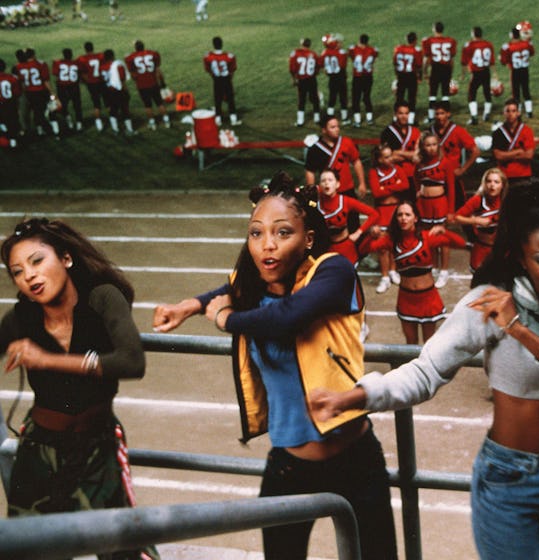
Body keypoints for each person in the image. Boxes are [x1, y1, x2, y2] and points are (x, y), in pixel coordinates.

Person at [311, 190, 539, 560]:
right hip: (509, 479)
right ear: (521, 260)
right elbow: (427, 369)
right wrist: (358, 396)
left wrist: (521, 330)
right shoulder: (489, 301)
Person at [151, 177, 397, 560]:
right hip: (290, 467)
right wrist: (189, 306)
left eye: (283, 233)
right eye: (256, 234)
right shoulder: (252, 287)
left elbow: (289, 317)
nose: (267, 244)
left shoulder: (334, 273)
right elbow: (227, 289)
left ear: (309, 239)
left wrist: (225, 320)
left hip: (356, 460)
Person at [0, 218, 158, 560]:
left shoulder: (102, 298)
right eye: (17, 271)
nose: (29, 275)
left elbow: (132, 361)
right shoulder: (20, 318)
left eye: (37, 261)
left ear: (66, 259)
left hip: (98, 448)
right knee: (30, 552)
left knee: (124, 550)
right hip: (40, 452)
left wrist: (47, 360)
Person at [362, 201, 466, 344]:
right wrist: (370, 235)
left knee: (429, 344)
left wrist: (445, 231)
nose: (403, 218)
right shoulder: (391, 240)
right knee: (411, 343)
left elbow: (461, 243)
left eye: (407, 214)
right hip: (406, 299)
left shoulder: (426, 237)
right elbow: (363, 250)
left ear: (415, 218)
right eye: (400, 215)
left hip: (428, 298)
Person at [415, 131, 456, 289]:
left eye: (434, 144)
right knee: (429, 238)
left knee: (442, 238)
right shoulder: (419, 164)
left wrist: (451, 211)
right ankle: (432, 267)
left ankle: (444, 271)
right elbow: (415, 178)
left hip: (440, 203)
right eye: (427, 145)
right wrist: (418, 191)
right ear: (422, 147)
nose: (431, 148)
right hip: (424, 205)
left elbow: (451, 187)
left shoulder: (445, 163)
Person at [317, 168, 379, 266]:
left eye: (330, 180)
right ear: (319, 186)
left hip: (346, 250)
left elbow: (374, 214)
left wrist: (358, 233)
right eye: (323, 181)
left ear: (337, 184)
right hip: (326, 251)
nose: (326, 183)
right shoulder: (316, 205)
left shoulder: (345, 201)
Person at [368, 144, 409, 293]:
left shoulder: (397, 169)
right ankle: (384, 276)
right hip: (382, 212)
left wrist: (385, 188)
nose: (390, 159)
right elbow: (376, 193)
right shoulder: (374, 172)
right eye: (386, 157)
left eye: (391, 155)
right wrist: (394, 185)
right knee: (384, 246)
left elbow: (405, 184)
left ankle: (393, 270)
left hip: (395, 210)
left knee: (395, 243)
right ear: (379, 159)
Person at [304, 115, 367, 210]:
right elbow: (310, 171)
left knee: (353, 219)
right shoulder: (315, 149)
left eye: (338, 126)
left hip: (348, 189)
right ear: (324, 130)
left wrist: (362, 183)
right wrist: (312, 192)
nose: (337, 129)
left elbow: (356, 161)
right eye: (333, 127)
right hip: (328, 191)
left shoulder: (347, 142)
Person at [429, 100, 480, 215]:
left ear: (448, 114)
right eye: (436, 113)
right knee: (437, 212)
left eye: (442, 113)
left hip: (453, 178)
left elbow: (475, 151)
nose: (439, 116)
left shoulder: (458, 131)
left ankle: (470, 232)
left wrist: (463, 169)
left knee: (461, 211)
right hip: (435, 178)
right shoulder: (430, 132)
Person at [454, 167, 508, 271]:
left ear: (502, 185)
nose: (492, 185)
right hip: (481, 249)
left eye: (496, 182)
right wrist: (476, 220)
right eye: (489, 181)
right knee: (480, 284)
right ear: (484, 184)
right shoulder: (478, 200)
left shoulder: (506, 200)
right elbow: (456, 217)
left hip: (501, 249)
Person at [125, 40, 170, 130]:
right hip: (153, 83)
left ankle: (152, 124)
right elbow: (157, 69)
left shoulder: (130, 57)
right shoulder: (153, 53)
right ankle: (167, 121)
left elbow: (133, 75)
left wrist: (137, 79)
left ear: (135, 48)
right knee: (160, 103)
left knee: (147, 105)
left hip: (142, 85)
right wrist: (162, 82)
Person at [380, 100, 421, 197]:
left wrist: (398, 152)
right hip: (395, 175)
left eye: (406, 113)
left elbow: (419, 154)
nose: (404, 116)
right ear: (395, 114)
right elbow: (390, 157)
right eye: (401, 113)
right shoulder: (387, 132)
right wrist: (411, 155)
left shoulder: (415, 131)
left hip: (413, 175)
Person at [13, 48, 57, 136]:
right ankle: (50, 130)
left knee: (31, 113)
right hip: (40, 92)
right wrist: (52, 93)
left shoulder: (18, 66)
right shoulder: (41, 64)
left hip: (27, 93)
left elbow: (20, 82)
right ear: (33, 54)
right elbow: (46, 81)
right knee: (40, 113)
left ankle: (36, 131)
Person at [491, 98, 535, 186]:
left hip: (523, 176)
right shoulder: (498, 132)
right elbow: (498, 156)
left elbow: (529, 155)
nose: (510, 114)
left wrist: (506, 156)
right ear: (504, 113)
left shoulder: (527, 131)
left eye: (513, 111)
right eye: (507, 111)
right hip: (503, 176)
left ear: (518, 113)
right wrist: (518, 152)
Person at [422, 21, 457, 125]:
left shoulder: (428, 41)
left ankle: (431, 116)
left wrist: (424, 72)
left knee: (432, 93)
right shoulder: (450, 41)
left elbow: (426, 59)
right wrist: (451, 73)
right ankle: (447, 116)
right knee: (445, 94)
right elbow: (451, 60)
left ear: (434, 29)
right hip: (446, 68)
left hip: (435, 68)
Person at [461, 26, 495, 124]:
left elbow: (464, 62)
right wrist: (495, 74)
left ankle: (474, 117)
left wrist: (463, 74)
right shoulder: (488, 44)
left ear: (473, 34)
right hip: (486, 71)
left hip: (476, 73)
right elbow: (492, 62)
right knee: (487, 93)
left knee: (472, 94)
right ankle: (486, 114)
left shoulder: (469, 45)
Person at [203, 36, 240, 126]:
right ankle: (233, 119)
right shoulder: (229, 56)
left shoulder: (208, 56)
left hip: (216, 79)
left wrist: (214, 76)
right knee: (230, 99)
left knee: (217, 99)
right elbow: (232, 69)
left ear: (213, 45)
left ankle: (218, 120)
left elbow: (208, 69)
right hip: (226, 78)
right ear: (222, 44)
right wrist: (229, 78)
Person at [500, 26, 534, 117]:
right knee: (526, 90)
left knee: (516, 93)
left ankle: (517, 112)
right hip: (525, 70)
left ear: (511, 35)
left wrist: (502, 59)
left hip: (515, 71)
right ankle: (529, 111)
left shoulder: (507, 47)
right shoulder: (527, 44)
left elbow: (503, 61)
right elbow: (532, 53)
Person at [288, 38, 321, 128]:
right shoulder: (313, 54)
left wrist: (294, 79)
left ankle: (300, 121)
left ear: (301, 44)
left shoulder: (295, 53)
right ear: (309, 45)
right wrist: (315, 73)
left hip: (301, 80)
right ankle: (317, 118)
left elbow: (292, 68)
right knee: (315, 99)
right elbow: (318, 66)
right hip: (311, 79)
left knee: (302, 100)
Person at [101, 48, 134, 135]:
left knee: (112, 110)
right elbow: (122, 79)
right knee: (125, 110)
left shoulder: (102, 67)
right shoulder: (118, 65)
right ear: (112, 56)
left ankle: (115, 129)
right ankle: (129, 129)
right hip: (118, 90)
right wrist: (126, 90)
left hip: (107, 91)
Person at [348, 34, 378, 128]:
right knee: (367, 97)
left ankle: (357, 121)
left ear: (359, 40)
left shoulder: (353, 49)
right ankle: (369, 119)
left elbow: (352, 57)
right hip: (368, 77)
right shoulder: (373, 50)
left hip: (358, 77)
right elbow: (373, 58)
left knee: (356, 99)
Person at [393, 32, 423, 125]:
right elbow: (418, 66)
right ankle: (410, 120)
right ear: (415, 40)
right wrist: (420, 76)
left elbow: (395, 63)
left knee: (399, 97)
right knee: (412, 98)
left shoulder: (398, 49)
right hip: (411, 76)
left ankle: (396, 118)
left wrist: (397, 75)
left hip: (401, 75)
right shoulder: (416, 50)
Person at [52, 48, 83, 132]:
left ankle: (69, 122)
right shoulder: (77, 63)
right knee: (77, 106)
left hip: (62, 87)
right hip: (74, 87)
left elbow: (55, 74)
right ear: (71, 54)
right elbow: (80, 74)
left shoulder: (58, 63)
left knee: (63, 106)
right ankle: (79, 124)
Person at [320, 33, 349, 124]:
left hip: (332, 78)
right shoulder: (342, 53)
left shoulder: (324, 53)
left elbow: (322, 66)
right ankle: (344, 119)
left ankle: (328, 118)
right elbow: (343, 66)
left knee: (332, 98)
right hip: (340, 77)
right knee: (343, 98)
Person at [78, 42, 105, 132]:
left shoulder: (82, 59)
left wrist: (86, 81)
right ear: (93, 48)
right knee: (107, 101)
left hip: (92, 83)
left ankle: (99, 123)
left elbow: (81, 73)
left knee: (96, 103)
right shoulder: (100, 56)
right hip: (101, 81)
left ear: (85, 49)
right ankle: (114, 120)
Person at [0, 58, 22, 147]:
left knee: (2, 122)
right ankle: (13, 143)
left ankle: (5, 133)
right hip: (10, 103)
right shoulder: (12, 78)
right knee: (13, 122)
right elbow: (17, 93)